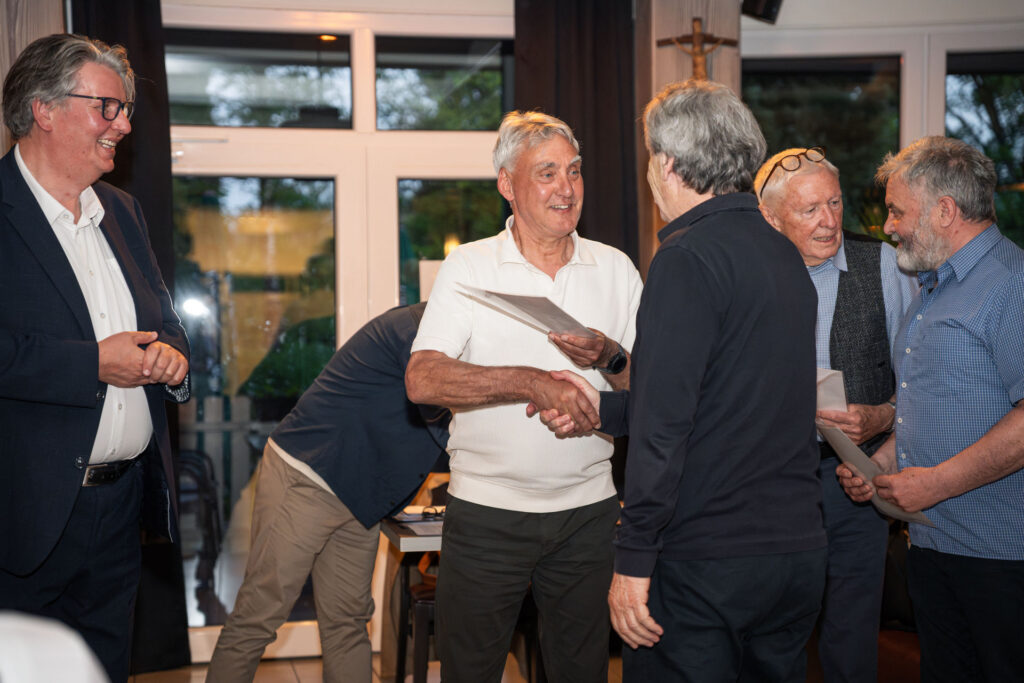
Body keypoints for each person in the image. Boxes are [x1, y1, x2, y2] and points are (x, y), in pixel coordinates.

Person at [404, 110, 643, 682]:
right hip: (488, 514)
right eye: (547, 173)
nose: (567, 188)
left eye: (574, 171)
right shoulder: (469, 265)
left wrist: (610, 356)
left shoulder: (616, 268)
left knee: (582, 674)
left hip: (588, 515)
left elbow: (655, 393)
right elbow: (423, 379)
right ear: (507, 185)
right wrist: (530, 381)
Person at [603, 79, 826, 682]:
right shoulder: (784, 255)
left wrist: (633, 557)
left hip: (709, 560)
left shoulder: (685, 259)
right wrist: (601, 411)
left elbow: (664, 428)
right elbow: (737, 397)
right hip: (795, 552)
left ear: (668, 165)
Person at [0, 34, 190, 682]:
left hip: (119, 510)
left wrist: (171, 356)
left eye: (124, 109)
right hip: (23, 515)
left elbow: (165, 320)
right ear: (44, 109)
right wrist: (93, 365)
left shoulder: (123, 211)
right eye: (106, 107)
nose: (124, 125)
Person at [838, 136, 1024, 682]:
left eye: (898, 212)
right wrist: (880, 463)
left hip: (1000, 556)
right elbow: (932, 402)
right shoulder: (932, 284)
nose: (888, 226)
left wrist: (937, 483)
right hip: (931, 542)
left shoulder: (1011, 285)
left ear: (945, 211)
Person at [206, 303, 449, 683]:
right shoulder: (420, 331)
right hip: (309, 476)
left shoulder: (453, 337)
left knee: (348, 621)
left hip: (361, 497)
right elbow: (448, 427)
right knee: (259, 614)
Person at [754, 147, 916, 682]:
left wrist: (884, 416)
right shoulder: (749, 274)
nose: (829, 221)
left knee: (852, 632)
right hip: (770, 480)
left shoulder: (883, 265)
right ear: (771, 218)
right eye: (810, 210)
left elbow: (919, 379)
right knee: (774, 629)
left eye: (835, 202)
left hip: (855, 477)